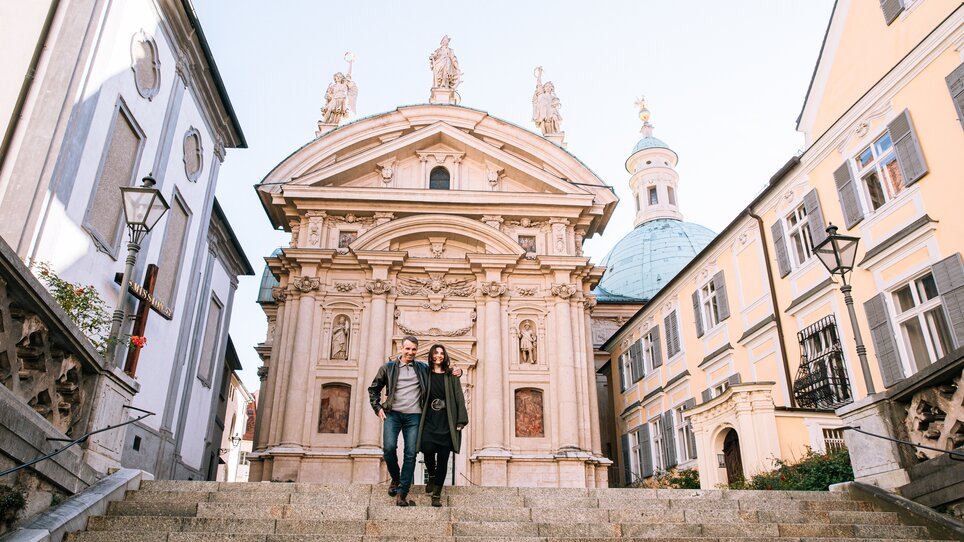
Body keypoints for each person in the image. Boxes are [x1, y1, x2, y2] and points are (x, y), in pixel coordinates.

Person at [368, 336, 462, 506]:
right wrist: (378, 408)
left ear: (417, 350)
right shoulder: (388, 368)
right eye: (407, 349)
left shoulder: (422, 368)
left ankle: (403, 492)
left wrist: (457, 371)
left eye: (413, 349)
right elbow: (373, 389)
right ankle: (396, 479)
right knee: (389, 449)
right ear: (401, 348)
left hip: (415, 416)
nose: (410, 352)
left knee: (410, 454)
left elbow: (440, 369)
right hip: (392, 414)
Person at [416, 344, 468, 507]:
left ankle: (437, 493)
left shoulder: (451, 375)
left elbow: (459, 396)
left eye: (441, 353)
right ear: (431, 356)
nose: (439, 355)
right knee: (428, 450)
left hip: (447, 421)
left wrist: (460, 420)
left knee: (444, 458)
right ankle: (431, 475)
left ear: (445, 356)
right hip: (429, 419)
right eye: (436, 353)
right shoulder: (425, 374)